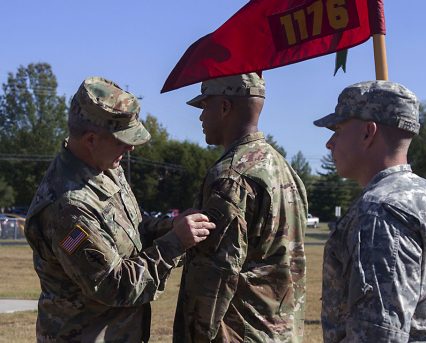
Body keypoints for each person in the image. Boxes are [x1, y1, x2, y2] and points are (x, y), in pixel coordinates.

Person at [24, 77, 215, 342]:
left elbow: (133, 229)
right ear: (91, 139)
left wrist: (171, 226)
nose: (131, 147)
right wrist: (175, 242)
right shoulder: (68, 207)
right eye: (122, 140)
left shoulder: (105, 168)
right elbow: (114, 286)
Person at [313, 81, 426, 342]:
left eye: (338, 129)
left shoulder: (382, 211)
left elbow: (378, 334)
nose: (330, 143)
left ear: (368, 132)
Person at [173, 73, 308, 342]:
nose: (201, 117)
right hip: (279, 332)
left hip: (240, 333)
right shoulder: (284, 169)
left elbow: (214, 277)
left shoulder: (230, 176)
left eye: (205, 106)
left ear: (224, 107)